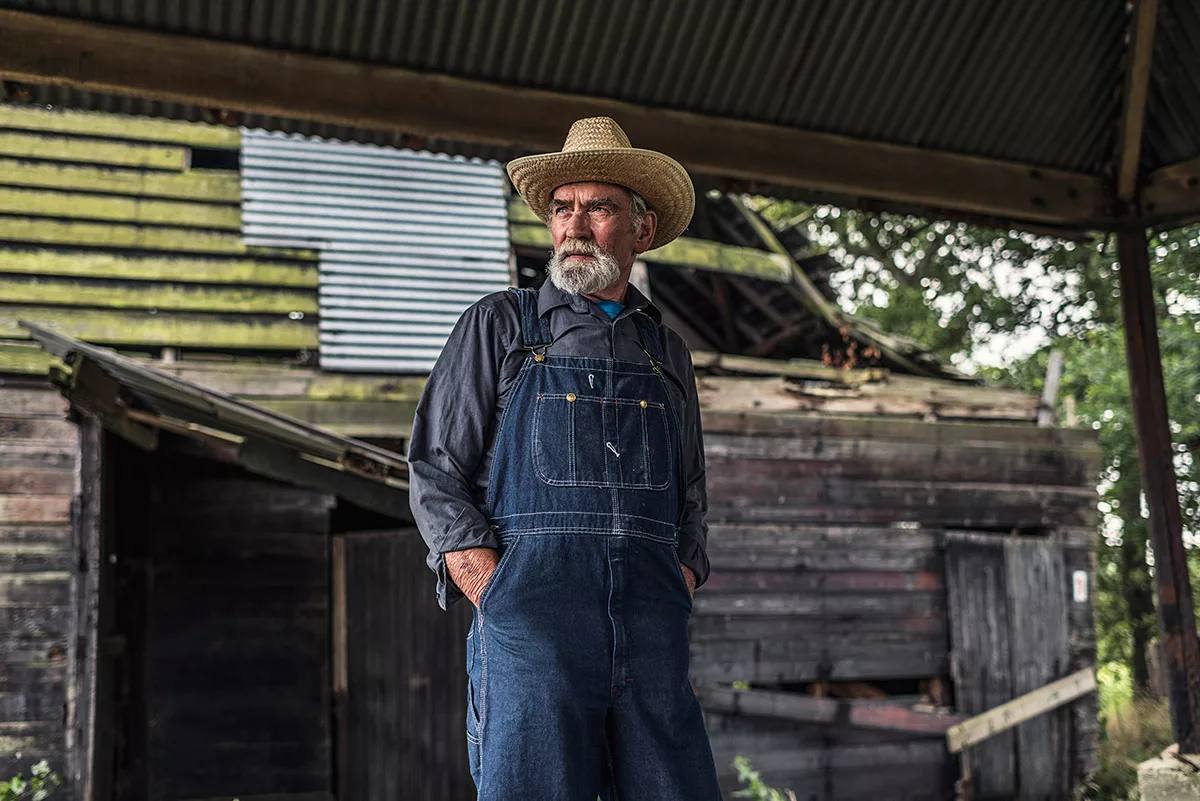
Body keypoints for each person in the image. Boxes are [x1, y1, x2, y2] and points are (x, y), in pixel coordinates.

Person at [407, 116, 722, 800]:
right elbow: (435, 468)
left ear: (641, 229)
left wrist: (682, 576)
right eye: (562, 208)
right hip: (533, 623)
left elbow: (690, 492)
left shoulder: (665, 352)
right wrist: (496, 588)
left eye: (598, 207)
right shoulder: (502, 326)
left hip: (650, 624)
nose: (575, 226)